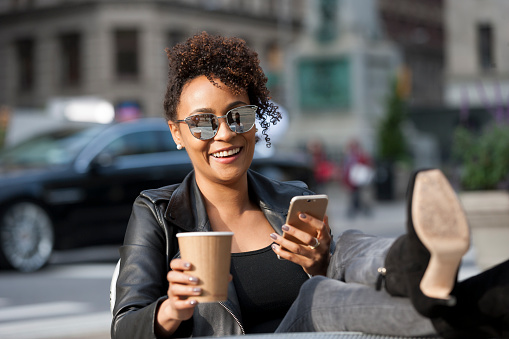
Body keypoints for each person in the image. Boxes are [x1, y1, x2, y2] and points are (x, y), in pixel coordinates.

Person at [111, 32, 509, 339]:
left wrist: (319, 262)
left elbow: (353, 301)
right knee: (314, 297)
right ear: (177, 133)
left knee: (345, 251)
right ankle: (450, 281)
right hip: (295, 323)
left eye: (238, 116)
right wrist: (170, 311)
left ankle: (444, 280)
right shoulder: (158, 213)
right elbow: (124, 326)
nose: (224, 134)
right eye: (202, 122)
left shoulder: (289, 198)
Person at [342, 139, 374, 218]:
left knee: (363, 195)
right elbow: (345, 168)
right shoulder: (348, 156)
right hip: (351, 179)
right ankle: (352, 210)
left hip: (361, 179)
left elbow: (368, 164)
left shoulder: (361, 154)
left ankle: (366, 210)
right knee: (352, 196)